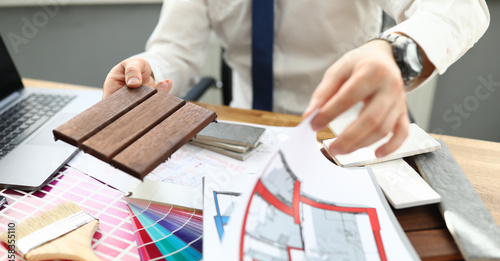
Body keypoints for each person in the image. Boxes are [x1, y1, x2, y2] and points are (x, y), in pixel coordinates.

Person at [103, 1, 489, 157]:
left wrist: (395, 50)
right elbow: (176, 50)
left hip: (348, 136)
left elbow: (464, 8)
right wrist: (149, 70)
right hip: (244, 136)